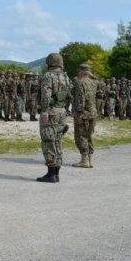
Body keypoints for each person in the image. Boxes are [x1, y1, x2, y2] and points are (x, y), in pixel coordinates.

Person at [37, 53, 71, 183]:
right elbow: (69, 95)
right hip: (61, 111)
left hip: (51, 112)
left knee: (48, 141)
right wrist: (65, 109)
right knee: (57, 141)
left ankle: (51, 173)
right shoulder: (65, 77)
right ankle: (56, 173)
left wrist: (44, 111)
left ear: (49, 64)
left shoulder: (48, 76)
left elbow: (46, 95)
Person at [72, 63, 98, 168]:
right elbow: (100, 82)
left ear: (81, 71)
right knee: (89, 136)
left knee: (81, 136)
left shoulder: (80, 83)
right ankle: (90, 160)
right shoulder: (93, 82)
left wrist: (78, 114)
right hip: (93, 114)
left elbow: (80, 100)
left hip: (84, 114)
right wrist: (92, 76)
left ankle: (84, 161)